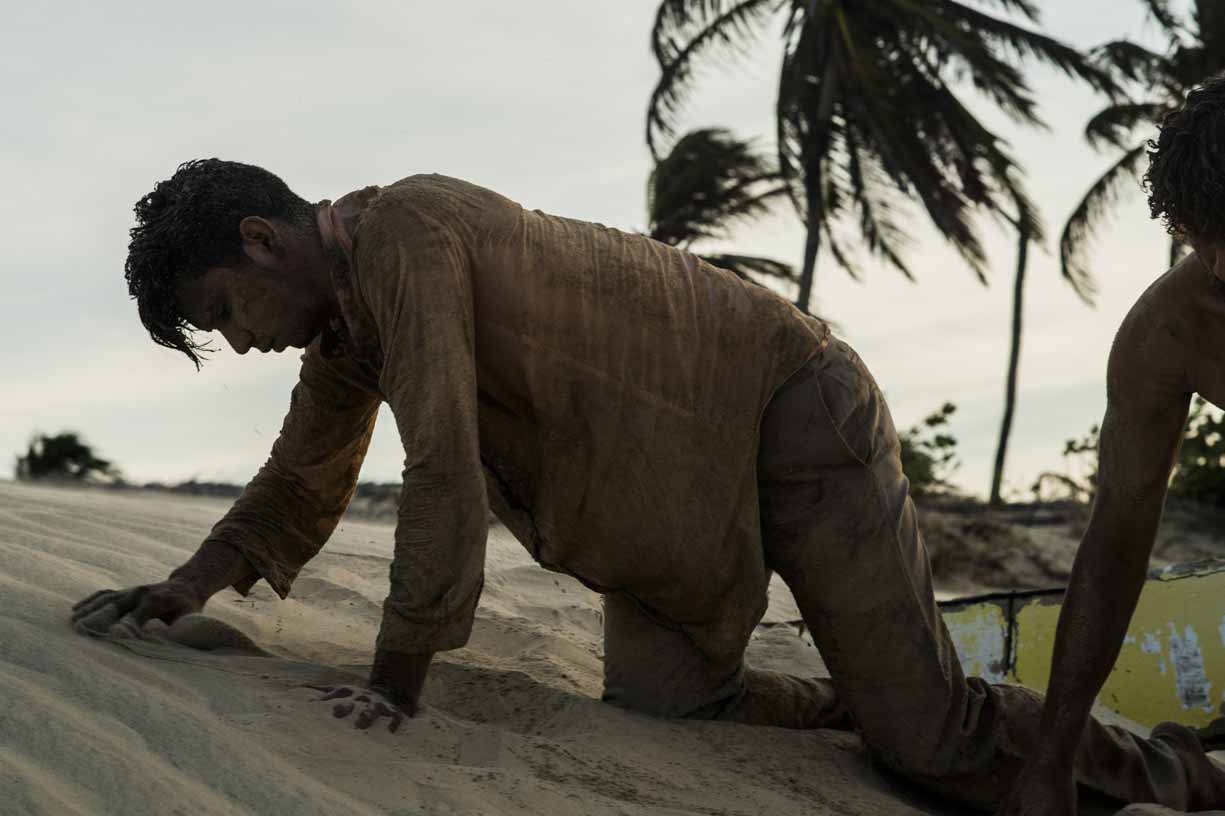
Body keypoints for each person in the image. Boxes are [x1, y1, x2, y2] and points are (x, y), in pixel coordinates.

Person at [72, 157, 1225, 811]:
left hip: (791, 414)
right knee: (670, 707)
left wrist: (397, 681)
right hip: (674, 509)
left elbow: (442, 463)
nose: (243, 339)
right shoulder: (345, 335)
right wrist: (186, 586)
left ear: (263, 240)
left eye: (227, 310)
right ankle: (864, 698)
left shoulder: (408, 231)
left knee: (929, 745)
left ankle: (1180, 771)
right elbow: (299, 478)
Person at [999, 74, 1225, 816]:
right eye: (1204, 237)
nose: (1222, 266)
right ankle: (1184, 772)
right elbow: (1116, 539)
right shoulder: (1168, 330)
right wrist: (1051, 758)